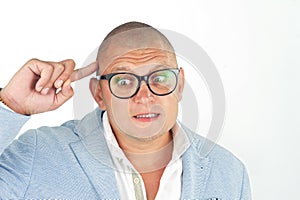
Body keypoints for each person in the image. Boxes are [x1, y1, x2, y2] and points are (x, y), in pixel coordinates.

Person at [0, 21, 251, 199]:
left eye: (160, 77)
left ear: (180, 85)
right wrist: (10, 104)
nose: (145, 96)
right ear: (99, 94)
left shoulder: (229, 173)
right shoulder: (38, 154)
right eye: (123, 80)